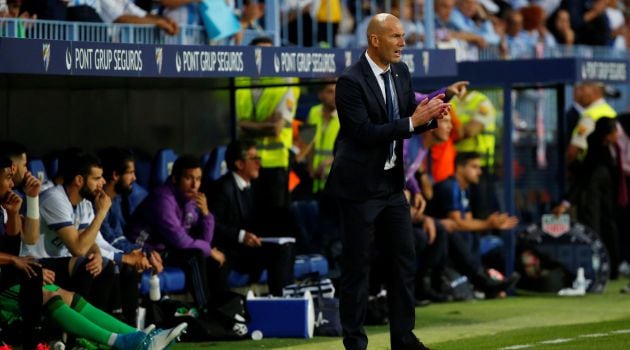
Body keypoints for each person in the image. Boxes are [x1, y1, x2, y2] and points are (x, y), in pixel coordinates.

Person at [325, 13, 450, 350]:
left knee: (404, 261)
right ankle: (355, 342)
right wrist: (413, 122)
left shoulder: (401, 72)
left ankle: (403, 338)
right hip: (359, 190)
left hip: (392, 188)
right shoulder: (350, 81)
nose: (402, 43)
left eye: (403, 36)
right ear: (375, 40)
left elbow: (411, 116)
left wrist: (433, 114)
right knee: (357, 269)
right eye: (395, 36)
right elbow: (363, 133)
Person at [128, 155, 227, 313]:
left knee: (210, 259)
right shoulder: (163, 199)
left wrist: (206, 215)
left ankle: (221, 309)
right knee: (195, 255)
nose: (195, 185)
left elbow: (204, 242)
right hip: (144, 250)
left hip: (165, 249)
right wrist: (208, 250)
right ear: (175, 178)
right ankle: (206, 310)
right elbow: (181, 242)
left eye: (198, 179)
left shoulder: (190, 200)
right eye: (189, 178)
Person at [20, 153, 116, 312]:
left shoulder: (84, 201)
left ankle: (101, 325)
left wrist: (98, 255)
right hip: (35, 262)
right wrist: (101, 213)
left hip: (58, 261)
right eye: (97, 178)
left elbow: (87, 241)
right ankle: (77, 332)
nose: (103, 182)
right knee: (85, 265)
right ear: (79, 180)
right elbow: (78, 249)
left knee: (105, 265)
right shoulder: (54, 198)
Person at [428, 152, 520, 298]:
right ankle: (482, 281)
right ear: (459, 168)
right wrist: (488, 224)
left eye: (479, 167)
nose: (479, 171)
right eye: (474, 167)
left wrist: (490, 224)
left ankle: (482, 280)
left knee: (478, 236)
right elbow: (457, 223)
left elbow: (468, 222)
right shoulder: (449, 187)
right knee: (456, 233)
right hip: (437, 239)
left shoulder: (465, 189)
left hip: (456, 239)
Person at [208, 140, 294, 296]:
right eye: (254, 159)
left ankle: (284, 299)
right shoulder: (222, 188)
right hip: (231, 250)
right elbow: (213, 224)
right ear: (240, 164)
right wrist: (240, 236)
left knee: (284, 248)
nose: (259, 164)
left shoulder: (252, 186)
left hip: (247, 249)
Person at [236, 36, 301, 235]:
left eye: (270, 52)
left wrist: (249, 125)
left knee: (275, 223)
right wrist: (264, 123)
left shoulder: (286, 79)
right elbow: (236, 124)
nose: (265, 57)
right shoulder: (241, 78)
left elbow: (276, 129)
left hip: (276, 165)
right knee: (249, 222)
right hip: (248, 164)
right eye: (260, 52)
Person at [99, 147, 164, 323]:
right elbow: (109, 239)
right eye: (130, 173)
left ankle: (132, 324)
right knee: (127, 265)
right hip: (97, 255)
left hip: (111, 252)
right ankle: (123, 323)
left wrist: (142, 251)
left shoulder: (117, 198)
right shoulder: (98, 199)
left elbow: (119, 236)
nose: (135, 178)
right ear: (115, 175)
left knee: (133, 263)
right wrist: (143, 253)